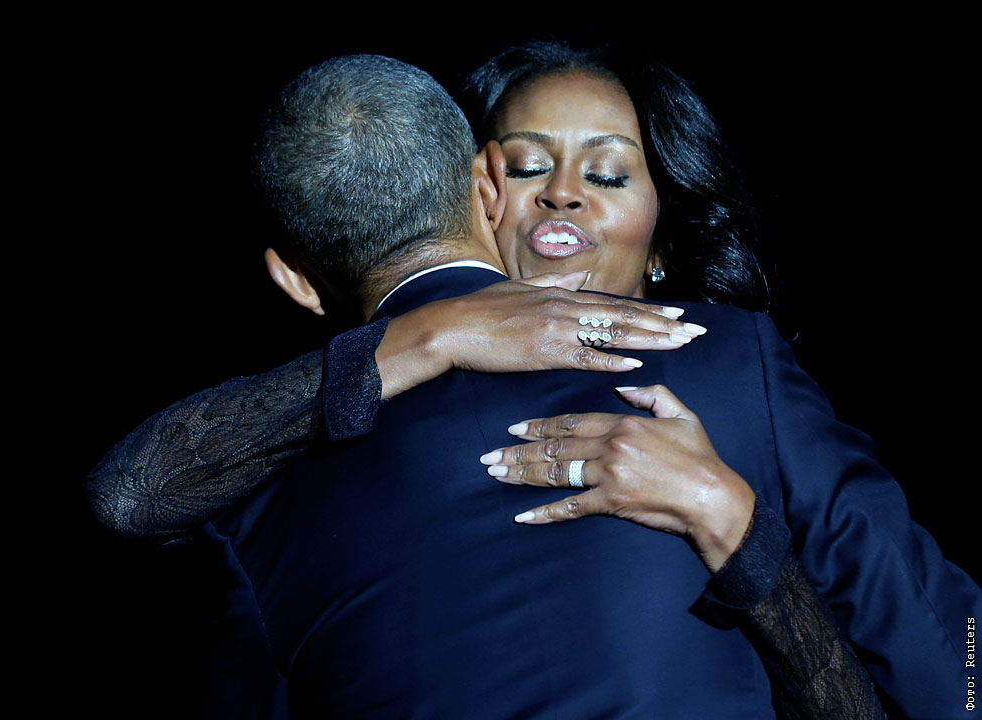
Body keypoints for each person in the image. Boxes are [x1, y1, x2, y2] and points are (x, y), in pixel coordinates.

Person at [166, 53, 894, 718]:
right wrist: (434, 332)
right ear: (482, 188)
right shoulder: (266, 474)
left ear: (665, 243)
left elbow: (921, 628)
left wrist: (727, 517)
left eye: (606, 175)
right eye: (527, 168)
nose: (563, 194)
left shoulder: (735, 366)